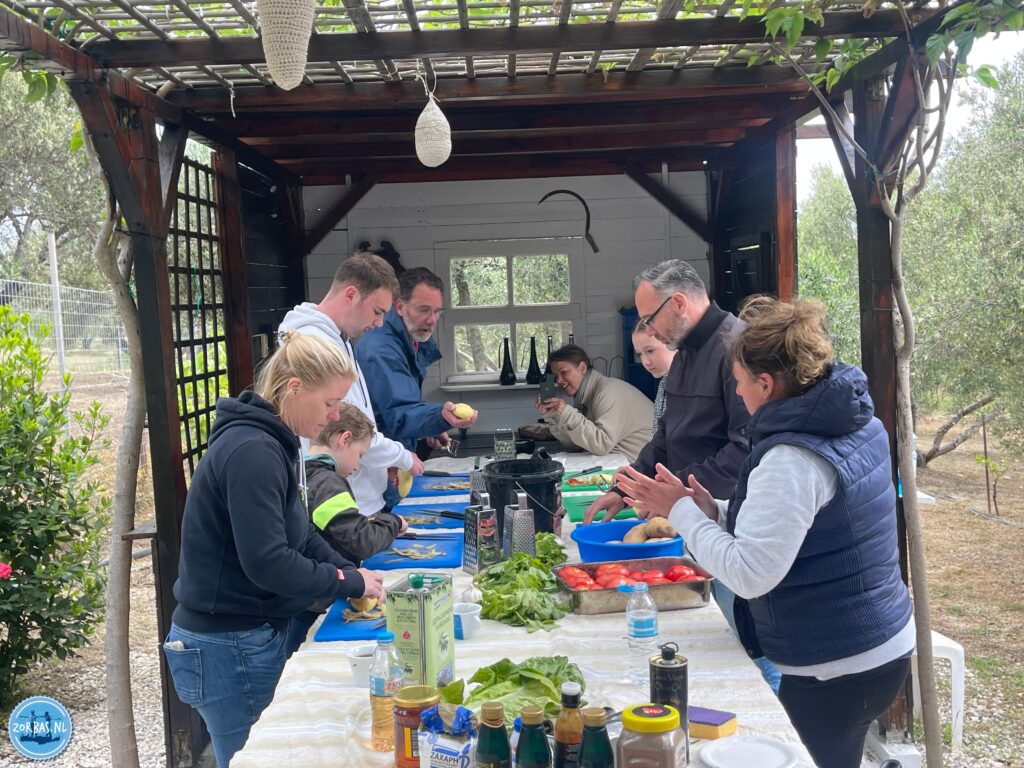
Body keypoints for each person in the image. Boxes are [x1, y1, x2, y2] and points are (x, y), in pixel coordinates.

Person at [618, 297, 914, 768]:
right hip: (881, 643)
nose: (737, 395)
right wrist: (710, 509)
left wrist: (680, 513)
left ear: (766, 383)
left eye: (738, 383)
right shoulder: (856, 422)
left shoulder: (792, 457)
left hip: (836, 664)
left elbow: (752, 574)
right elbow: (807, 520)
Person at [162, 331, 385, 768]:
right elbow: (267, 560)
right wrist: (344, 580)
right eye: (329, 403)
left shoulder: (272, 443)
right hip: (227, 641)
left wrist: (349, 570)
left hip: (238, 636)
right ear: (294, 388)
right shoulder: (253, 451)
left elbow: (298, 535)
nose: (336, 415)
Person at [583, 259, 749, 524]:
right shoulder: (683, 352)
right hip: (686, 511)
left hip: (726, 517)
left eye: (650, 319)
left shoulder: (740, 348)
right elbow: (666, 436)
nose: (649, 330)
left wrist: (674, 493)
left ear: (679, 303)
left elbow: (745, 450)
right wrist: (626, 488)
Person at [279, 250, 424, 514]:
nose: (380, 324)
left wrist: (383, 461)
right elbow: (348, 432)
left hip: (354, 497)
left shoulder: (337, 336)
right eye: (377, 312)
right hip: (342, 505)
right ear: (351, 295)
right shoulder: (318, 344)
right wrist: (402, 457)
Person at [285, 405, 410, 655]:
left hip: (304, 595)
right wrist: (392, 522)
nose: (357, 465)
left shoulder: (300, 473)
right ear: (344, 439)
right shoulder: (327, 483)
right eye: (360, 454)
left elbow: (332, 526)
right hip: (316, 604)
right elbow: (360, 540)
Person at [356, 267, 477, 455]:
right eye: (424, 310)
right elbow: (400, 413)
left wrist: (426, 431)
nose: (432, 320)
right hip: (378, 462)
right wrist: (441, 417)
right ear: (399, 307)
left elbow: (399, 407)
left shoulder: (408, 340)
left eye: (437, 311)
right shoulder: (381, 349)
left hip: (394, 455)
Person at [535, 344, 653, 461]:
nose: (559, 381)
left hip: (645, 467)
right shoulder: (585, 395)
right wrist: (553, 416)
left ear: (582, 368)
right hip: (621, 460)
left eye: (564, 372)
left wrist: (568, 414)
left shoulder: (608, 391)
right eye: (555, 376)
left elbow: (602, 445)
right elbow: (576, 445)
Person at [630, 321, 676, 430]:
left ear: (672, 343)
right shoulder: (665, 382)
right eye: (639, 353)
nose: (645, 362)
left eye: (650, 350)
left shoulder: (694, 382)